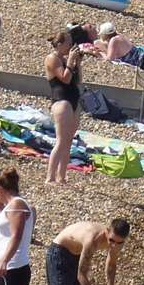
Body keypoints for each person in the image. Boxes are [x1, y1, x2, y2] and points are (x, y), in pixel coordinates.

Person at [44, 28, 82, 185]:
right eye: (68, 44)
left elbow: (77, 80)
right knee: (61, 140)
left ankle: (62, 176)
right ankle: (50, 177)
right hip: (61, 101)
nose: (70, 47)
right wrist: (71, 61)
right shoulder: (52, 59)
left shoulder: (66, 60)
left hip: (73, 101)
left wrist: (77, 63)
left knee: (69, 140)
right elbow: (65, 79)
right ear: (59, 44)